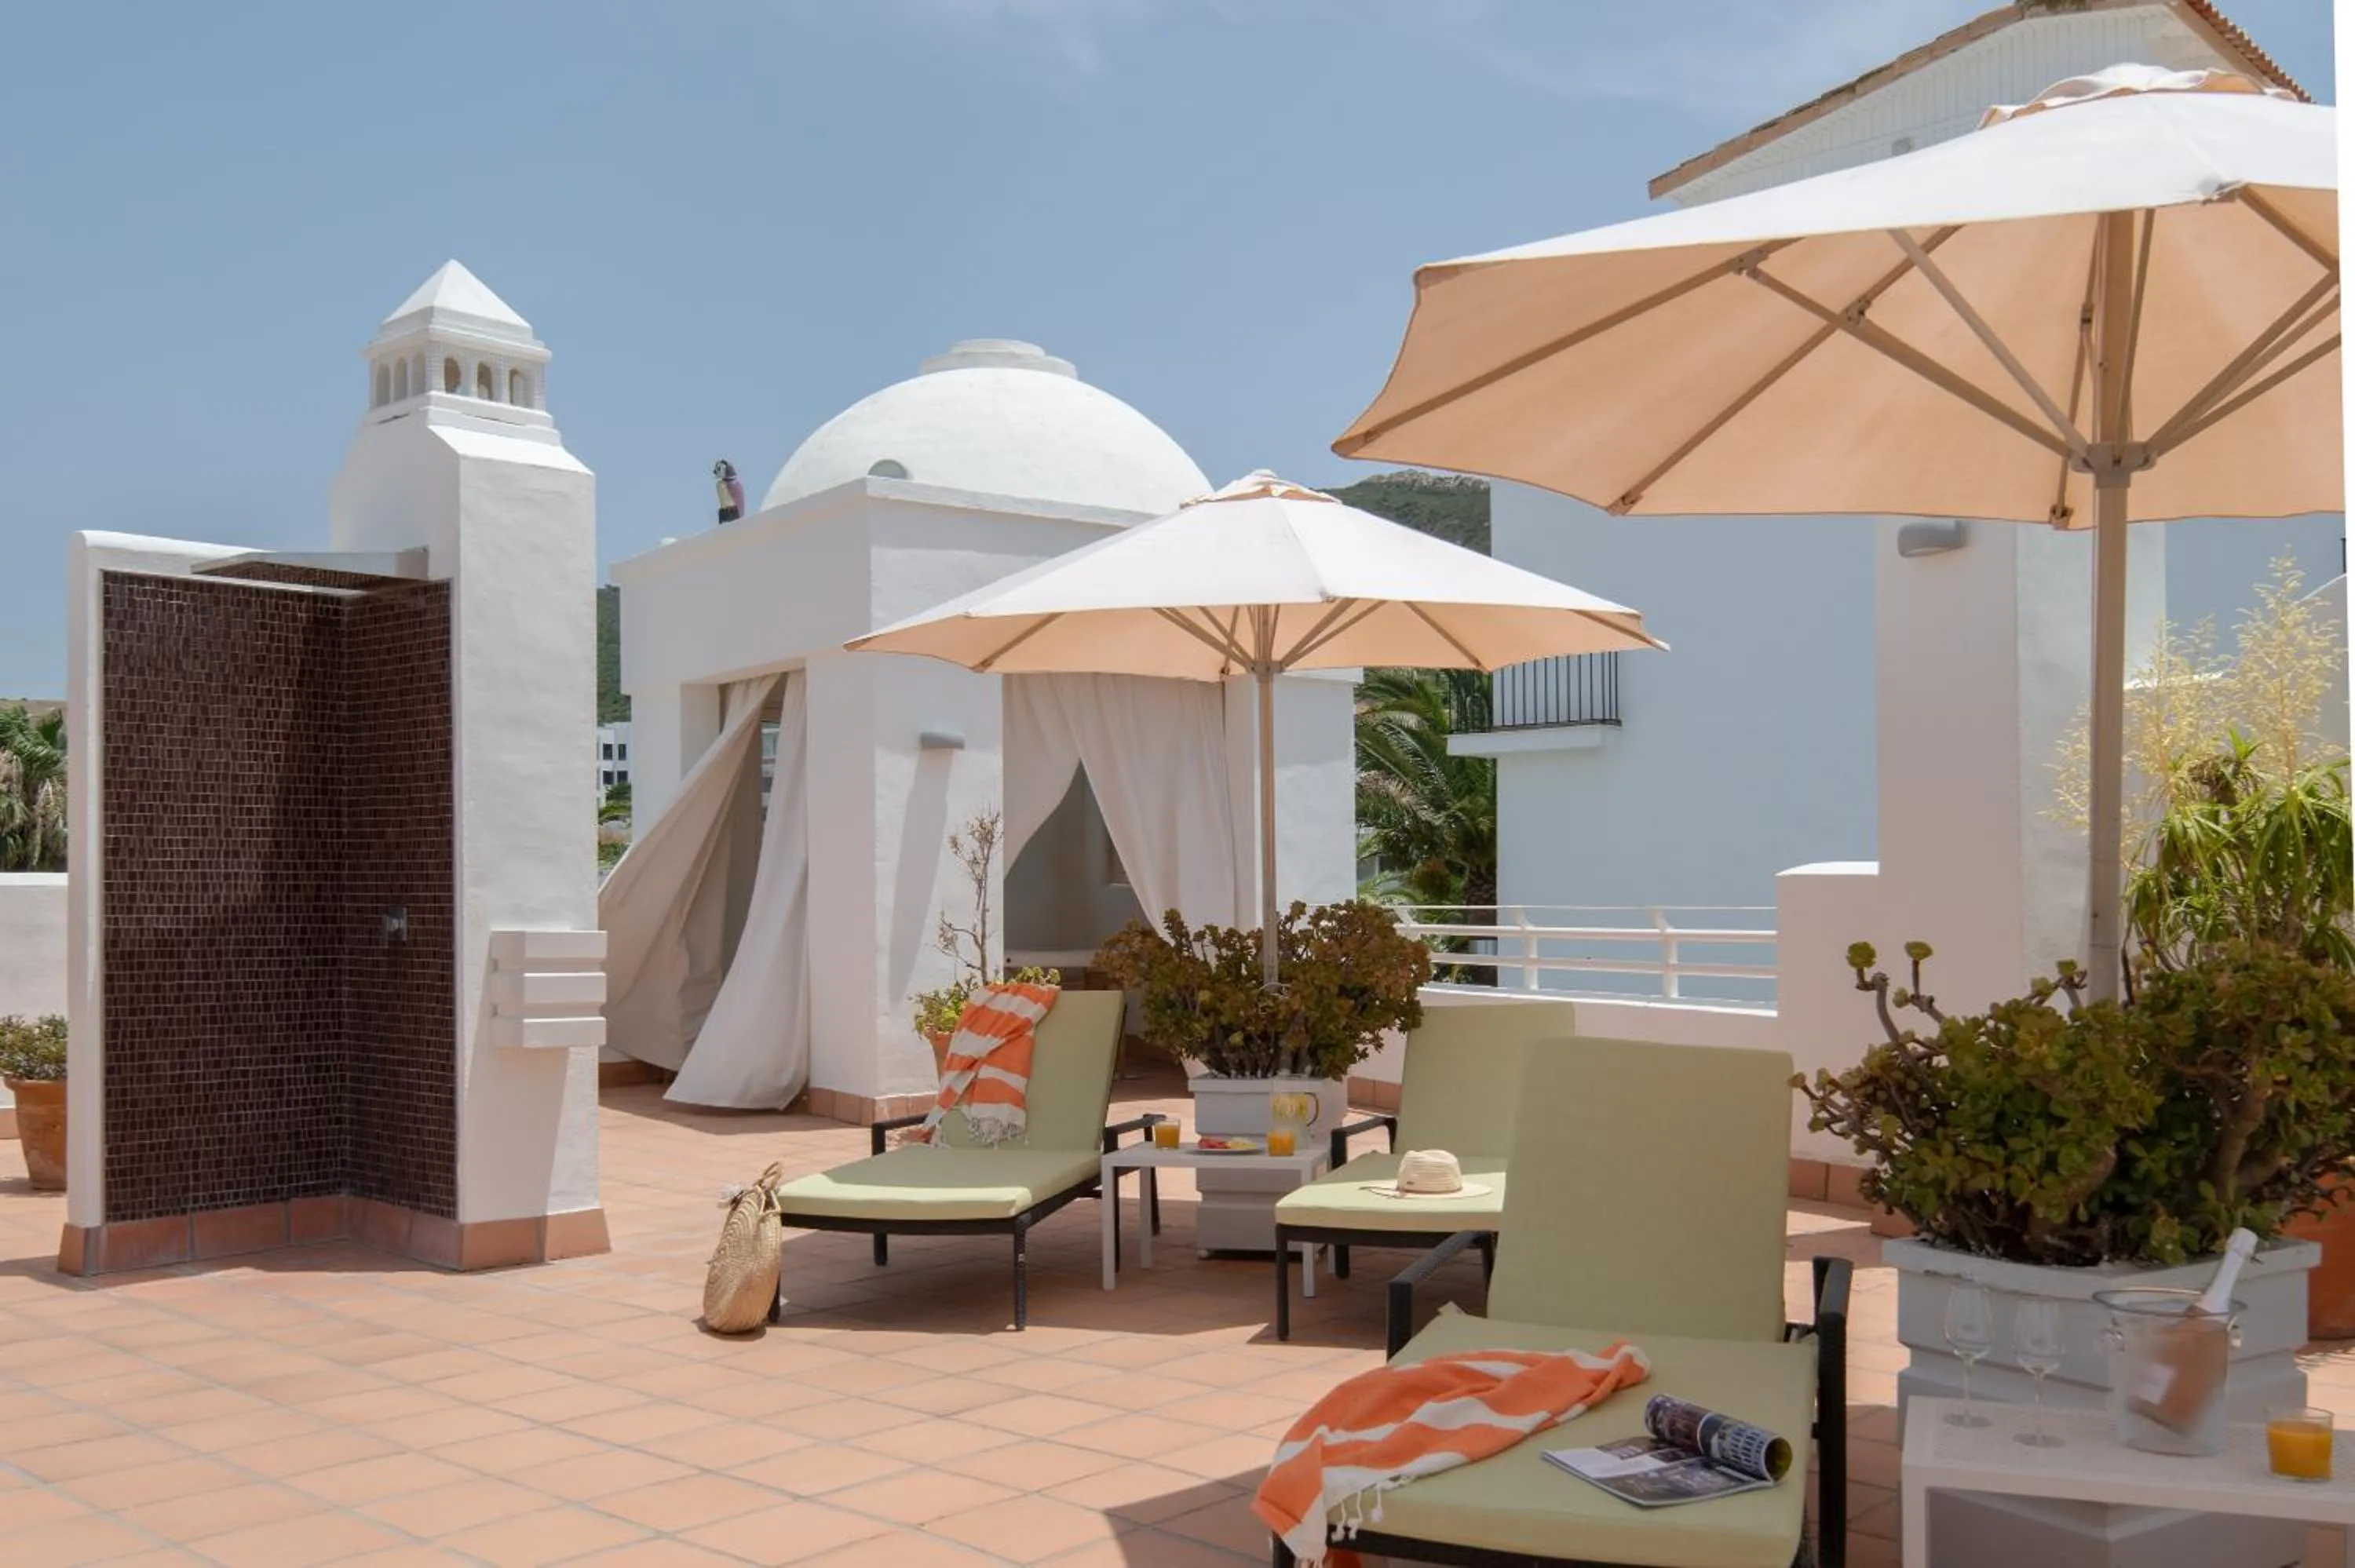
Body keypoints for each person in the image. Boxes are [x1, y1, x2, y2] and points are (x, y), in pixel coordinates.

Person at [713, 459, 745, 525]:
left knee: (720, 485)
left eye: (719, 469)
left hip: (733, 512)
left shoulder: (724, 484)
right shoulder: (736, 484)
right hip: (731, 512)